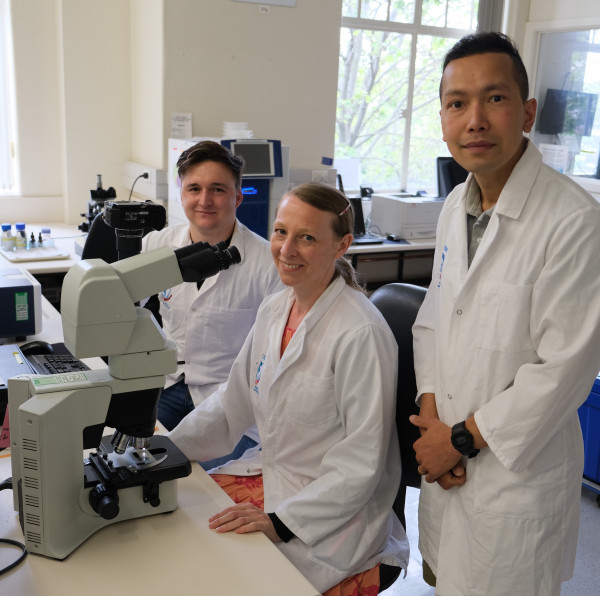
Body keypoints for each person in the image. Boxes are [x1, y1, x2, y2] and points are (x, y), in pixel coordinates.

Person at [409, 32, 600, 595]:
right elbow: (432, 321)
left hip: (515, 482)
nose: (474, 120)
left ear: (527, 112)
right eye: (456, 103)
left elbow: (566, 369)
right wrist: (431, 424)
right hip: (448, 467)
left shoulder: (574, 220)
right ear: (442, 117)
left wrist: (459, 442)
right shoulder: (454, 207)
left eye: (494, 98)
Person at [168, 182, 409, 594]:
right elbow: (233, 401)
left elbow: (361, 464)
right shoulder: (277, 306)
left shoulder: (360, 333)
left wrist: (282, 523)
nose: (286, 249)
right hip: (276, 475)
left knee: (222, 573)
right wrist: (168, 451)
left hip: (332, 517)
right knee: (184, 530)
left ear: (342, 245)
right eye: (281, 232)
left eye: (308, 238)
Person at [142, 140, 282, 469]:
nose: (204, 200)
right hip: (169, 385)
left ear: (237, 197)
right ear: (181, 193)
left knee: (203, 484)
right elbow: (124, 308)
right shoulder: (156, 245)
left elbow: (273, 354)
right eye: (194, 188)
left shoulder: (266, 263)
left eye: (217, 189)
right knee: (142, 467)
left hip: (230, 397)